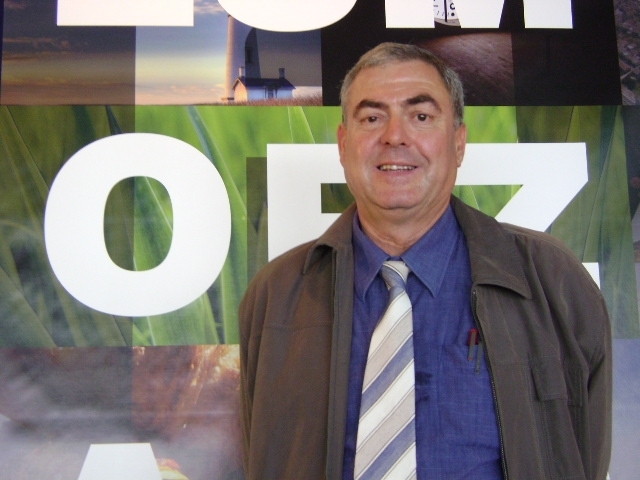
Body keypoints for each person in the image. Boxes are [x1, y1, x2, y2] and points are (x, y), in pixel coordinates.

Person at [239, 42, 611, 480]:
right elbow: (263, 455)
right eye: (372, 118)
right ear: (343, 144)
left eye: (420, 116)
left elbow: (585, 452)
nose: (395, 136)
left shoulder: (553, 280)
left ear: (458, 142)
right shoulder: (276, 293)